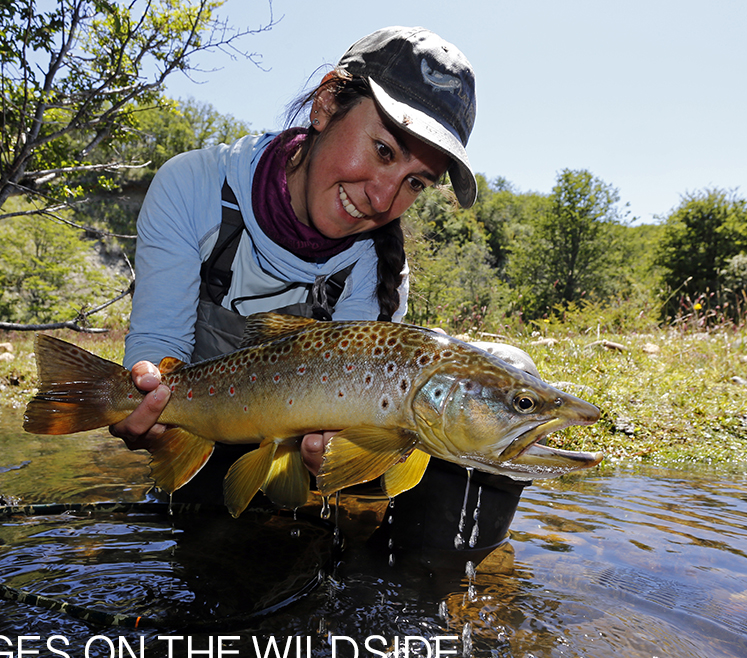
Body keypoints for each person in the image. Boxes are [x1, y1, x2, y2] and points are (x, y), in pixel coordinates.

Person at [110, 26, 525, 557]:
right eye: (381, 150)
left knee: (510, 373)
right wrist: (140, 397)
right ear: (327, 104)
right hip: (205, 428)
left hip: (298, 453)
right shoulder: (193, 187)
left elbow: (350, 423)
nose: (382, 197)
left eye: (416, 182)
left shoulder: (379, 268)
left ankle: (425, 591)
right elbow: (158, 344)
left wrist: (344, 453)